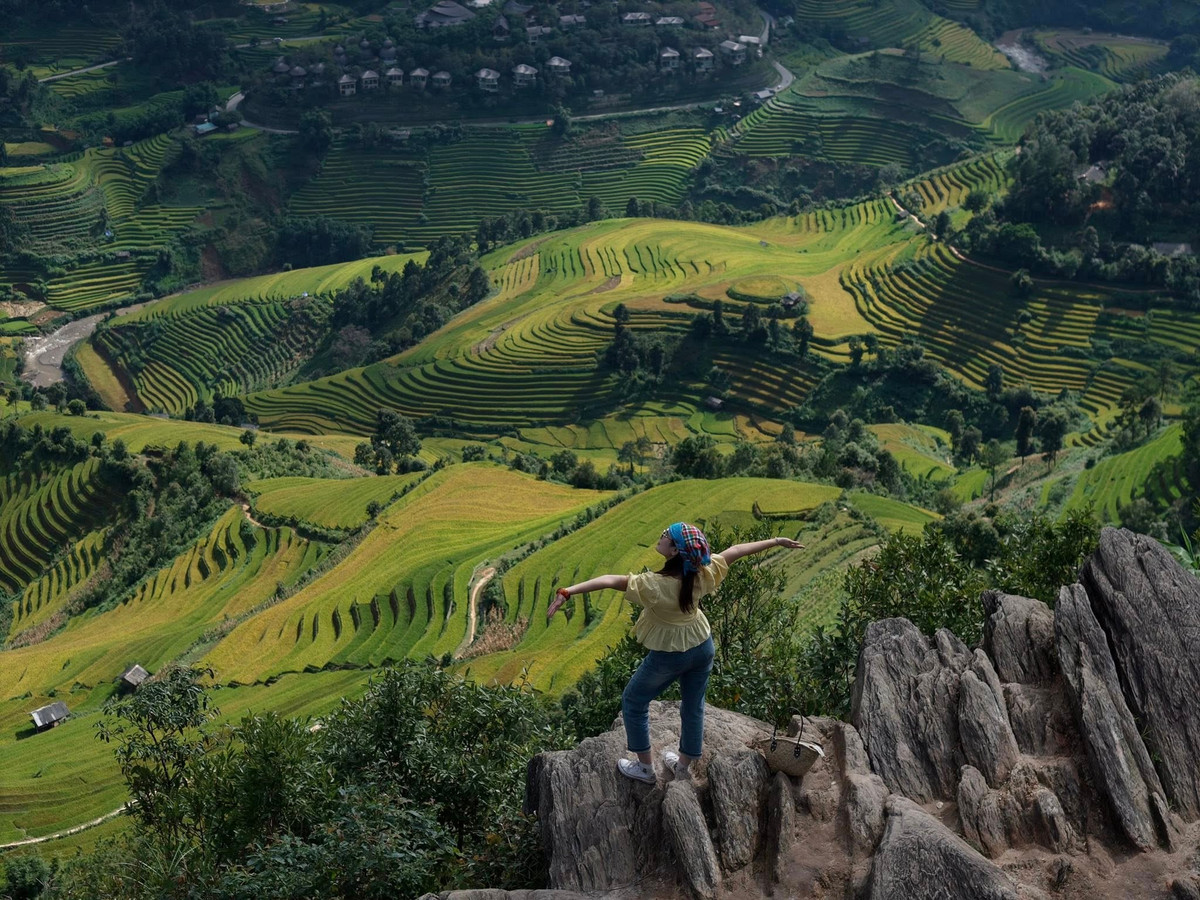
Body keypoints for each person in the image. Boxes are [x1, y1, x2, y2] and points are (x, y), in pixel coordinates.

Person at [547, 522, 803, 783]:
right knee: (693, 707)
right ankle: (682, 766)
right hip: (702, 645)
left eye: (666, 536)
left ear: (673, 552)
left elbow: (610, 581)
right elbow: (737, 550)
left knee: (634, 701)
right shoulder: (703, 571)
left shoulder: (654, 585)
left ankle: (645, 769)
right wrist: (775, 541)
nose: (661, 535)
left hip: (670, 653)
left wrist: (567, 592)